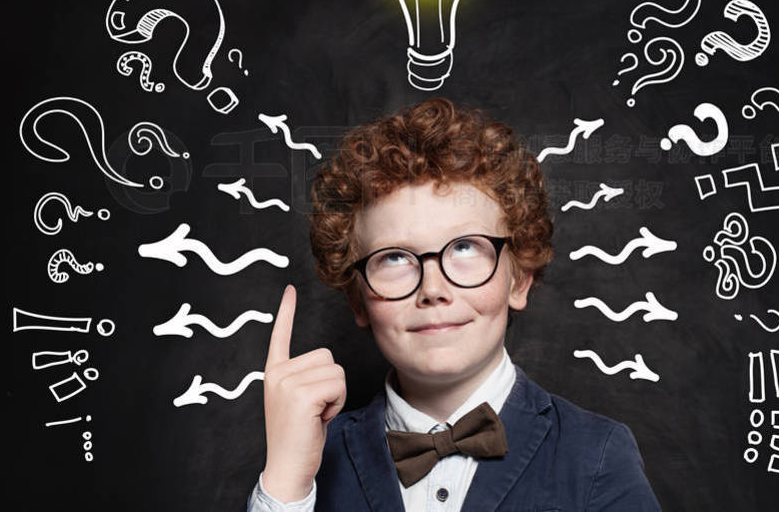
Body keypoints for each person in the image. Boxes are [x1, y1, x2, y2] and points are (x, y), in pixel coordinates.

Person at [246, 97, 661, 511]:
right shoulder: (310, 463)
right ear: (358, 299)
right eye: (394, 257)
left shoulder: (598, 454)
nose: (433, 288)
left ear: (519, 280)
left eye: (465, 247)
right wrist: (284, 484)